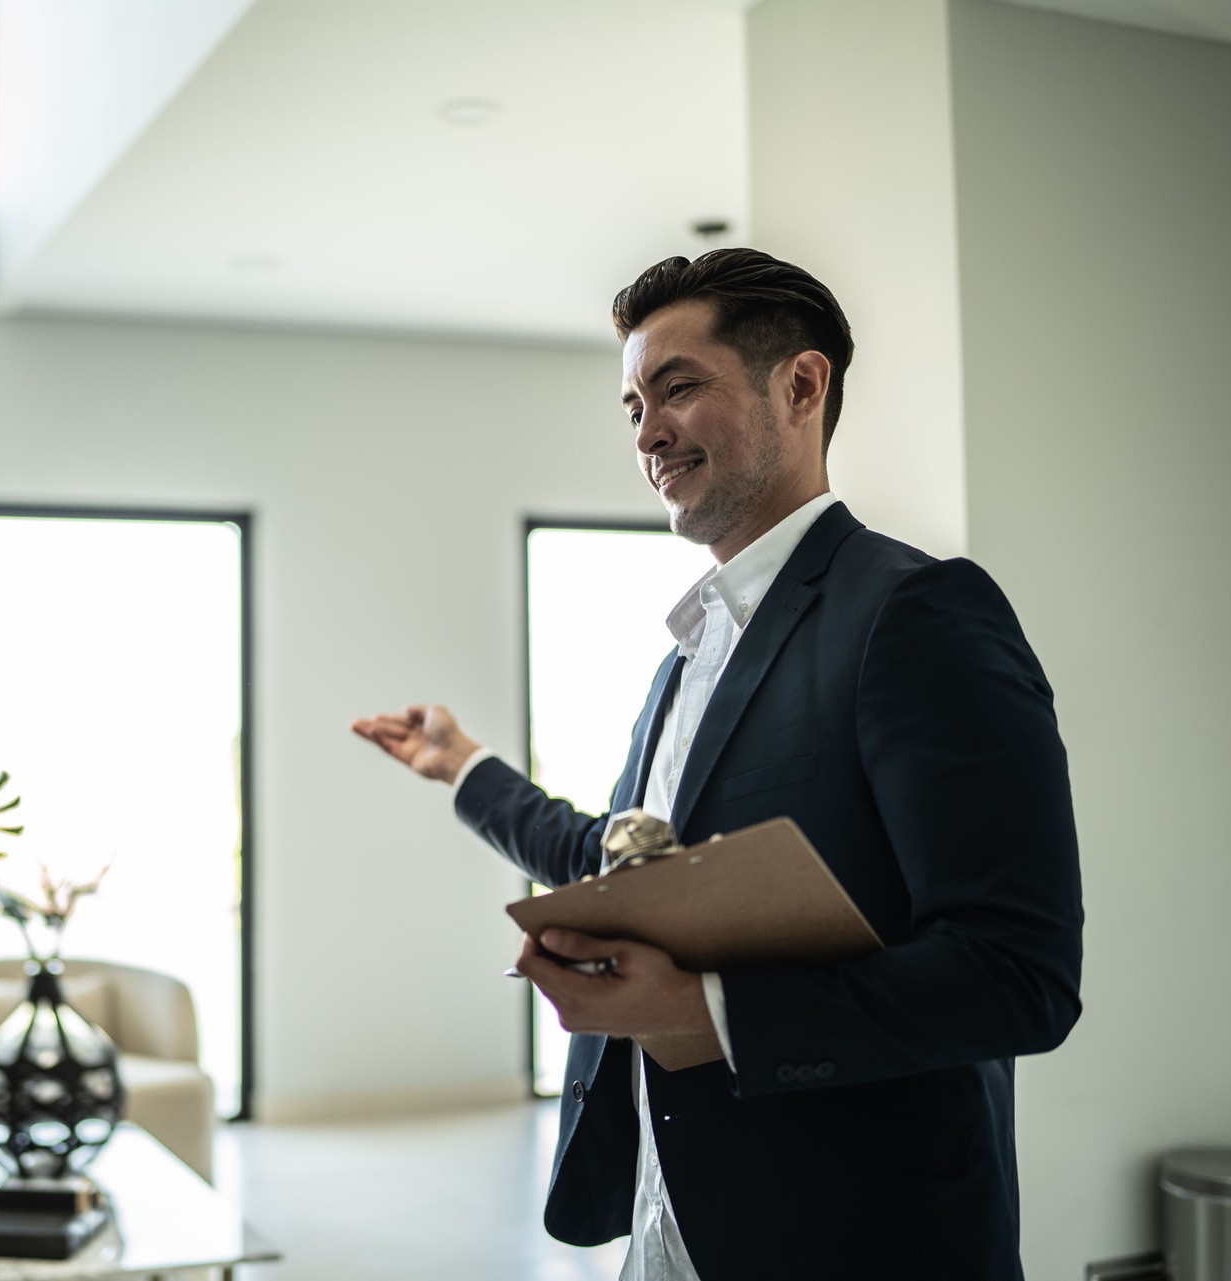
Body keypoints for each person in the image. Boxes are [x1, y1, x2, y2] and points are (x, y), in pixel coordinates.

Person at [352, 249, 1082, 1280]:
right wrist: (462, 767)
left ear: (801, 385)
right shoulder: (681, 664)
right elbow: (612, 861)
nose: (647, 431)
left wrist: (707, 1018)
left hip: (854, 1240)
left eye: (679, 388)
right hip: (672, 1223)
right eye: (631, 405)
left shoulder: (917, 614)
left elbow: (1020, 976)